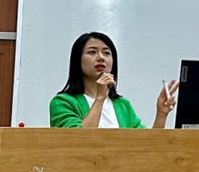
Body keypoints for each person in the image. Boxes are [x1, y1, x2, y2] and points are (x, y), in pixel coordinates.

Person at [49, 32, 179, 128]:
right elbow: (76, 141)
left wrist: (161, 114)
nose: (101, 57)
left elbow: (147, 146)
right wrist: (100, 98)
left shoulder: (122, 105)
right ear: (77, 60)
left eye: (106, 53)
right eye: (92, 52)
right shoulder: (63, 102)